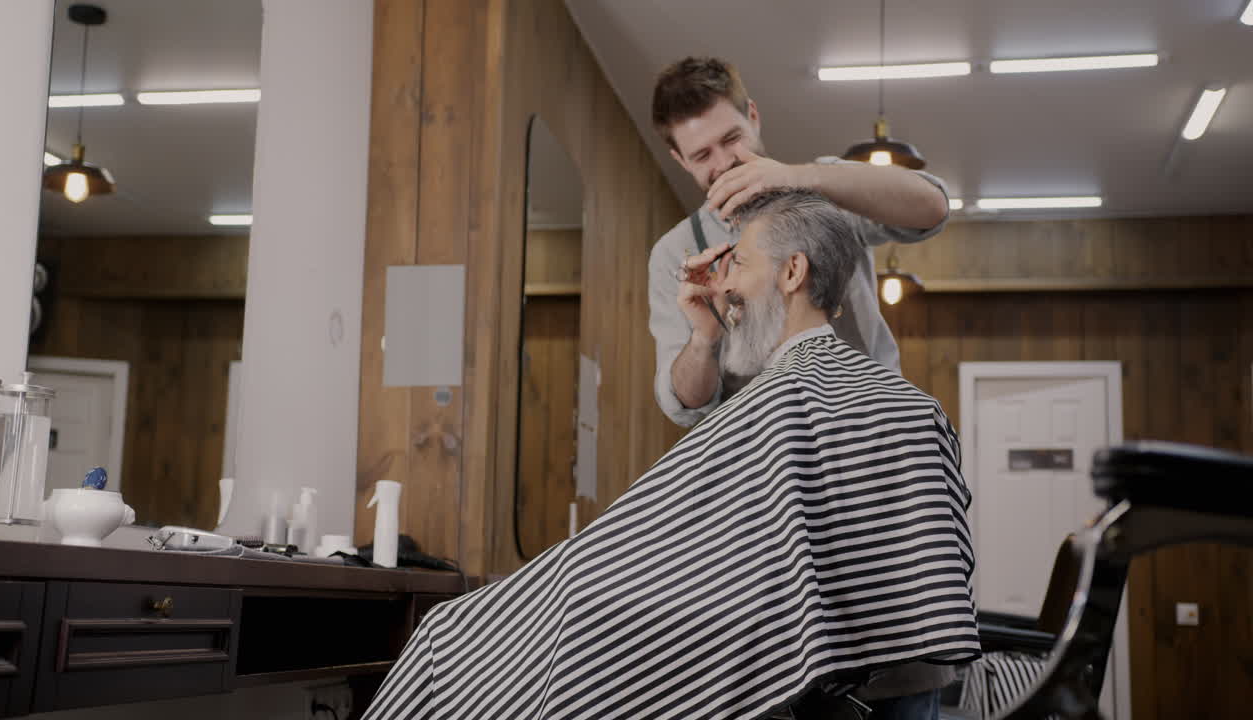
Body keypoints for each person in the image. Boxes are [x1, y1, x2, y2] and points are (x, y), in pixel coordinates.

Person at [362, 189, 979, 720]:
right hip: (898, 674)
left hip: (830, 689)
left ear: (792, 273)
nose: (727, 284)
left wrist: (543, 601)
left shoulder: (777, 407)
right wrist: (705, 329)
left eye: (737, 264)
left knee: (455, 639)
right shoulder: (911, 406)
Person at [649, 56, 950, 430]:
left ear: (753, 116)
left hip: (869, 430)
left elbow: (933, 208)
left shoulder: (828, 190)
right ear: (679, 159)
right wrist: (702, 339)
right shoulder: (673, 253)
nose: (725, 162)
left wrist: (800, 177)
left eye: (732, 138)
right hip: (764, 459)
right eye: (702, 155)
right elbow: (686, 403)